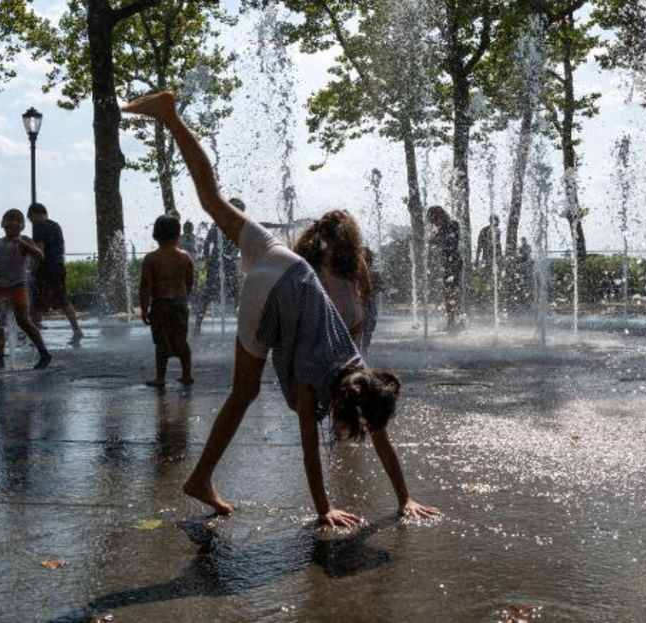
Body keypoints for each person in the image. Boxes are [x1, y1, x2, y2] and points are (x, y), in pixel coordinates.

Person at [123, 91, 439, 525]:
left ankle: (171, 116)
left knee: (213, 201)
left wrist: (405, 498)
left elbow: (379, 434)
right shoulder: (317, 384)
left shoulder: (360, 374)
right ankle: (199, 478)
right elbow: (311, 447)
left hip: (284, 264)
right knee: (244, 392)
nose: (363, 434)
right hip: (268, 297)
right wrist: (325, 509)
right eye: (360, 428)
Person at [0, 209, 52, 370]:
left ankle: (44, 354)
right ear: (2, 223)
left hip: (18, 287)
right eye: (8, 219)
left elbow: (40, 256)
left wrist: (24, 244)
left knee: (24, 322)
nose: (12, 222)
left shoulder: (23, 240)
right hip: (1, 287)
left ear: (22, 226)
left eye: (17, 220)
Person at [294, 210, 371, 346]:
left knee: (326, 360)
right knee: (350, 359)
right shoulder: (355, 257)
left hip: (323, 316)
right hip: (351, 315)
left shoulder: (311, 255)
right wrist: (359, 309)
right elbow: (366, 288)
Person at [140, 214, 196, 388]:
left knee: (161, 343)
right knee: (182, 342)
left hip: (160, 305)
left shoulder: (151, 258)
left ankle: (160, 377)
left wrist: (143, 308)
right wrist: (184, 298)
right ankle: (186, 374)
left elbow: (145, 286)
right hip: (179, 303)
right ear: (178, 236)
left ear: (155, 235)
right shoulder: (185, 257)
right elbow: (190, 282)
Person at [27, 203, 85, 345]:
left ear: (35, 214)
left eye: (30, 218)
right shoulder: (56, 225)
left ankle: (34, 334)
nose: (31, 221)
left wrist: (33, 270)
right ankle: (76, 329)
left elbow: (39, 250)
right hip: (58, 266)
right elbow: (62, 247)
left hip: (45, 268)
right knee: (62, 298)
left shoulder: (38, 226)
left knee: (36, 301)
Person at [194, 200, 242, 335]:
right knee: (208, 294)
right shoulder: (218, 224)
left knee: (236, 293)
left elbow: (258, 227)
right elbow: (207, 242)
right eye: (240, 210)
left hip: (228, 263)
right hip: (216, 263)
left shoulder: (238, 224)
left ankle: (243, 326)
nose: (242, 214)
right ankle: (197, 326)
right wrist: (208, 258)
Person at [427, 205, 464, 332]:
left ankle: (453, 322)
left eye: (433, 219)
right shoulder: (443, 227)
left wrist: (435, 240)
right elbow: (435, 241)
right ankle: (454, 321)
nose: (433, 223)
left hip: (454, 262)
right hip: (448, 263)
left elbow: (449, 241)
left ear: (438, 215)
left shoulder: (452, 224)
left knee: (451, 292)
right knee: (448, 293)